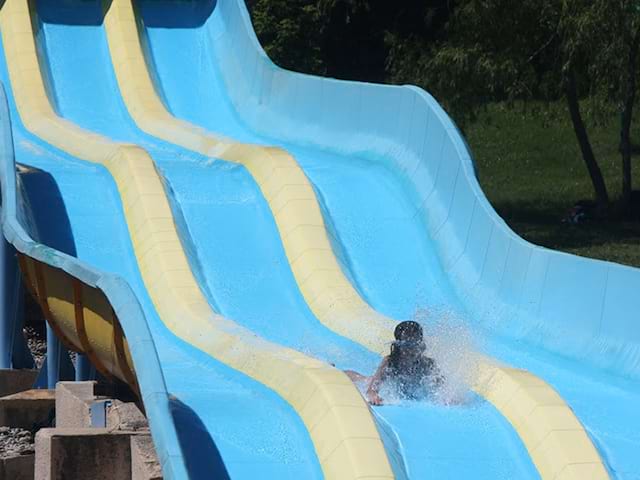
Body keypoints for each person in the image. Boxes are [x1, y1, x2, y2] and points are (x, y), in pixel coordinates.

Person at [345, 320, 443, 405]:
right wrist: (374, 396)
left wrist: (446, 398)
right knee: (366, 380)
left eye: (414, 345)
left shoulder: (428, 364)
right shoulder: (390, 362)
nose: (411, 350)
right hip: (378, 381)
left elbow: (442, 388)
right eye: (407, 345)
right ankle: (340, 372)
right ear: (398, 345)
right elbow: (371, 390)